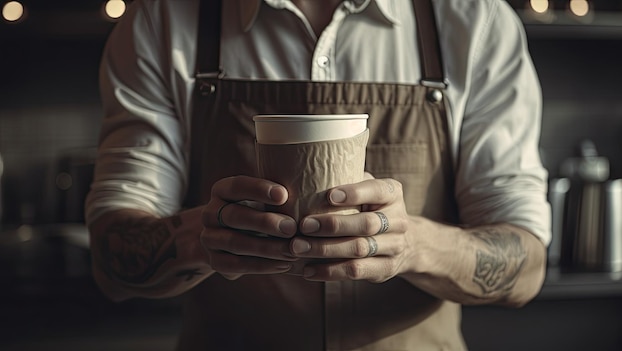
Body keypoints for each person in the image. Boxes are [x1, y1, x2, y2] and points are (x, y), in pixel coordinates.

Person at [85, 0, 551, 350]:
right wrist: (201, 238)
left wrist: (413, 245)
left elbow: (526, 268)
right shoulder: (163, 20)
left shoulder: (474, 20)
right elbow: (111, 260)